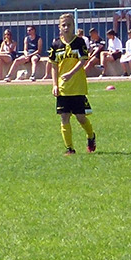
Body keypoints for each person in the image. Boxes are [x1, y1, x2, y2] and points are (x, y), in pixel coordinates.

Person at [45, 13, 97, 154]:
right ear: (59, 27)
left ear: (73, 26)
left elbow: (83, 60)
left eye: (69, 25)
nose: (66, 27)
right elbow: (54, 65)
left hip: (77, 87)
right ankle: (70, 149)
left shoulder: (79, 42)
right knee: (64, 117)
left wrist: (71, 73)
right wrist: (54, 85)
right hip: (63, 88)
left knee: (81, 118)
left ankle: (91, 136)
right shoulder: (56, 45)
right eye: (64, 25)